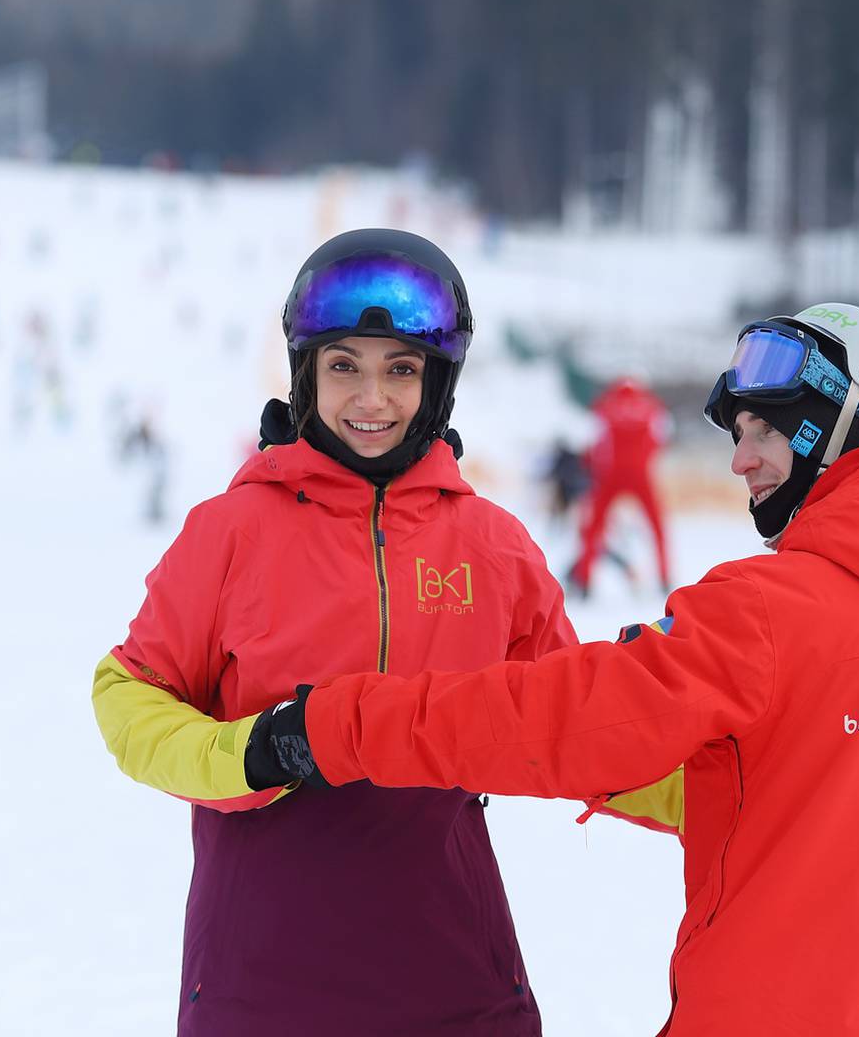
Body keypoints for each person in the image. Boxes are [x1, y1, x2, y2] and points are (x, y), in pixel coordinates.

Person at [243, 303, 859, 1036]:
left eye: (764, 430)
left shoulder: (765, 613)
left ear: (853, 424)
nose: (739, 460)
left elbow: (563, 724)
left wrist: (336, 725)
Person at [91, 228, 576, 1036]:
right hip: (262, 984)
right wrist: (250, 751)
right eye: (344, 365)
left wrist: (754, 780)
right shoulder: (231, 531)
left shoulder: (492, 547)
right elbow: (129, 697)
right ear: (306, 375)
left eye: (401, 369)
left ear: (439, 384)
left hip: (455, 983)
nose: (371, 398)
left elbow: (585, 724)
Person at [570, 375, 672, 595]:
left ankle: (584, 580)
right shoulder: (652, 406)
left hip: (610, 476)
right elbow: (661, 439)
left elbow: (594, 442)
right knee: (657, 527)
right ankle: (664, 577)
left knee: (593, 528)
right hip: (641, 475)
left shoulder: (605, 405)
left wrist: (592, 467)